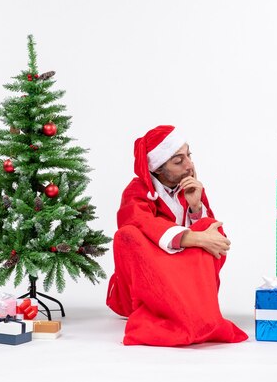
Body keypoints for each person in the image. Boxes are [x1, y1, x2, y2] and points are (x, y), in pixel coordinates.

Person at [106, 125, 248, 346]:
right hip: (148, 281)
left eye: (189, 155)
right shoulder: (136, 192)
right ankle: (174, 315)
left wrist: (195, 207)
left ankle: (195, 306)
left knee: (211, 225)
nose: (190, 165)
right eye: (178, 161)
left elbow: (213, 235)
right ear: (158, 169)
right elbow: (141, 223)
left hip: (182, 272)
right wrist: (197, 238)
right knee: (127, 235)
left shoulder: (190, 188)